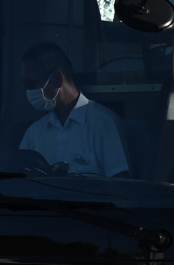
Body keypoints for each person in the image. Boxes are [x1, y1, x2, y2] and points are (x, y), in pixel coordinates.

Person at [18, 42, 131, 177]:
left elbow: (121, 183)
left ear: (56, 79)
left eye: (31, 85)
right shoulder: (34, 133)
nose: (29, 92)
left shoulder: (102, 123)